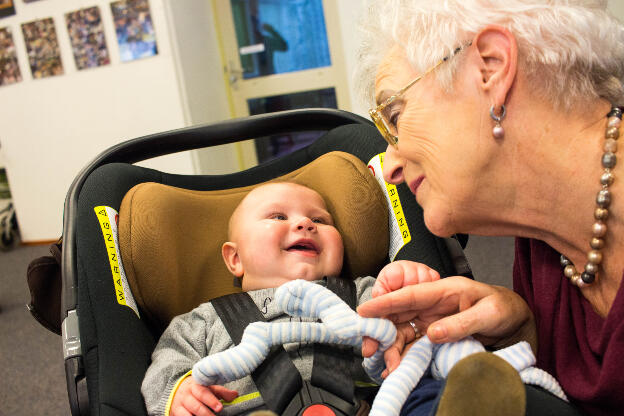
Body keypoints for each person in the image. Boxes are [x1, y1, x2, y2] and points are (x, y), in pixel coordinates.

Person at [355, 1, 624, 415]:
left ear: (492, 68)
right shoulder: (540, 250)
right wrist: (526, 333)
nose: (388, 168)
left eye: (394, 114)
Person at [141, 181, 440, 416]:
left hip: (373, 408)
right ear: (235, 258)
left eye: (320, 219)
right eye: (278, 216)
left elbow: (409, 323)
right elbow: (167, 363)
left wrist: (408, 280)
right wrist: (180, 390)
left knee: (431, 396)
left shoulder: (364, 293)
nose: (305, 224)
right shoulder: (205, 321)